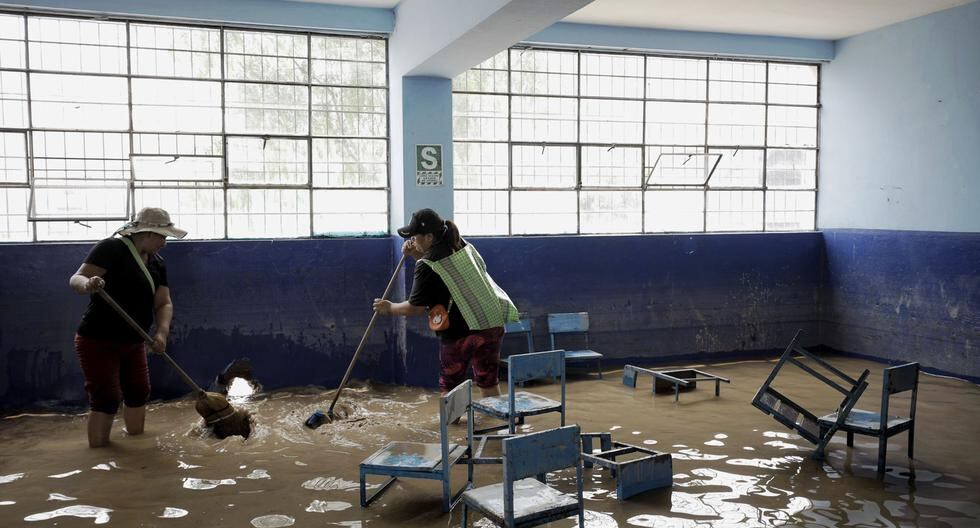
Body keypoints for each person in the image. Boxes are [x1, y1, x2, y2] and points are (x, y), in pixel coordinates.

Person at [68, 207, 187, 447]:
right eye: (162, 236)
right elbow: (76, 278)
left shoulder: (157, 263)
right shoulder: (111, 249)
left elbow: (163, 303)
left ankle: (137, 446)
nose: (165, 242)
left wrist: (161, 333)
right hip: (98, 339)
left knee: (138, 391)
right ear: (146, 233)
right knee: (106, 398)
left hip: (133, 341)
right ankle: (100, 455)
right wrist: (88, 283)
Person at [373, 208, 519, 398]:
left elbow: (415, 307)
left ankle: (451, 427)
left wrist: (389, 307)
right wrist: (416, 255)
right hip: (491, 323)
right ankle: (494, 424)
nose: (412, 241)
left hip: (461, 332)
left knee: (451, 389)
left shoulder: (427, 264)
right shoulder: (462, 245)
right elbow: (440, 274)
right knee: (487, 380)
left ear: (428, 237)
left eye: (415, 237)